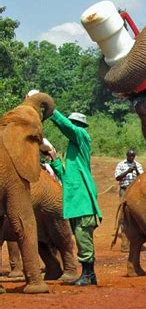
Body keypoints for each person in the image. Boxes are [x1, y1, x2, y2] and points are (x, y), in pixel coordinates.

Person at [47, 109, 102, 286]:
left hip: (83, 201)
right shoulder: (72, 150)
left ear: (80, 126)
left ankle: (88, 274)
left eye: (75, 124)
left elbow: (68, 128)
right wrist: (54, 159)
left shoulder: (82, 137)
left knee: (83, 236)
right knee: (80, 238)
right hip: (74, 202)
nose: (74, 127)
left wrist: (52, 112)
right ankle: (88, 274)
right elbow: (66, 178)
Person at [114, 149, 144, 251]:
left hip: (136, 191)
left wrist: (136, 170)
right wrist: (128, 171)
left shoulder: (138, 165)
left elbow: (142, 178)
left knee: (137, 215)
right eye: (130, 156)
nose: (131, 158)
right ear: (127, 155)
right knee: (124, 215)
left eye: (133, 156)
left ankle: (139, 242)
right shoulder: (121, 164)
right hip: (124, 190)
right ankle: (125, 244)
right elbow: (117, 177)